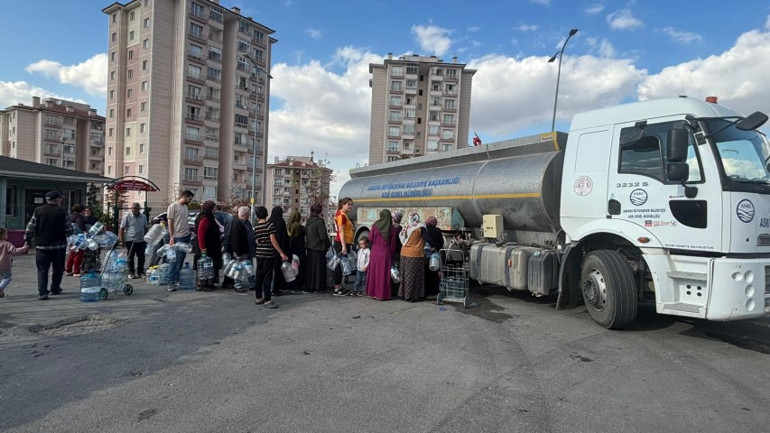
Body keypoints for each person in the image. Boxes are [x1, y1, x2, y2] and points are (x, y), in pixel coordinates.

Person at [24, 190, 74, 300]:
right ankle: (55, 288)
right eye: (60, 199)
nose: (61, 200)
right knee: (58, 268)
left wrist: (27, 240)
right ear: (56, 200)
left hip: (42, 245)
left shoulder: (38, 211)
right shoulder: (62, 211)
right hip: (59, 245)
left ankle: (42, 292)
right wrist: (72, 239)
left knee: (42, 269)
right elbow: (69, 228)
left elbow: (30, 228)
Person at [253, 206, 288, 309]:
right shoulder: (269, 225)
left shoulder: (256, 226)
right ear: (266, 214)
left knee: (259, 275)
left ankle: (258, 297)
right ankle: (267, 300)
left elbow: (256, 240)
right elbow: (273, 240)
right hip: (268, 254)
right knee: (268, 277)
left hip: (259, 253)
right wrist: (281, 253)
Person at [222, 206, 255, 291]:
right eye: (248, 213)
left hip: (248, 249)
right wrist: (237, 253)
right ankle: (238, 285)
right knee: (239, 268)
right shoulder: (237, 224)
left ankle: (252, 283)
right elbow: (235, 240)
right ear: (246, 214)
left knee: (249, 268)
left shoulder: (247, 223)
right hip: (241, 251)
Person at [166, 189, 194, 290]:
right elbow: (170, 222)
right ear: (185, 197)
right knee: (174, 260)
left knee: (181, 259)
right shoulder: (173, 206)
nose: (190, 201)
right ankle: (170, 281)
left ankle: (177, 278)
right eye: (189, 199)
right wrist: (171, 236)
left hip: (185, 235)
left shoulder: (185, 207)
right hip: (177, 237)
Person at [193, 200, 223, 291]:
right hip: (206, 247)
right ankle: (203, 284)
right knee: (205, 265)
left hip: (211, 246)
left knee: (209, 265)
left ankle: (210, 283)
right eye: (214, 207)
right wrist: (203, 248)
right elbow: (200, 234)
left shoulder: (210, 217)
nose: (215, 209)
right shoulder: (205, 218)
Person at [399, 211, 427, 302]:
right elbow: (427, 238)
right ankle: (412, 296)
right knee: (413, 276)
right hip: (415, 255)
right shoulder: (420, 227)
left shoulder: (406, 227)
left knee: (404, 275)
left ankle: (403, 294)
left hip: (404, 254)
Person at [366, 209, 393, 301]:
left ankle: (373, 293)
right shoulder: (391, 228)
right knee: (383, 274)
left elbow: (370, 238)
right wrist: (392, 255)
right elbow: (392, 244)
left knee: (374, 273)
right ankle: (382, 295)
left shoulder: (375, 225)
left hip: (375, 252)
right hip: (385, 253)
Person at [304, 202, 330, 293]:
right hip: (318, 248)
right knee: (318, 269)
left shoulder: (308, 221)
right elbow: (323, 236)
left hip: (309, 247)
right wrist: (328, 245)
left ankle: (309, 285)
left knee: (311, 268)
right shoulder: (319, 222)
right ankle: (318, 286)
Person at [119, 202, 148, 279]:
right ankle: (131, 272)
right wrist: (121, 240)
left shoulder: (143, 217)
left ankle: (140, 271)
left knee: (141, 257)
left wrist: (146, 237)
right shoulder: (127, 217)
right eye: (132, 208)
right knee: (130, 257)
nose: (134, 210)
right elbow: (122, 228)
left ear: (139, 209)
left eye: (135, 208)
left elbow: (145, 227)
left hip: (141, 240)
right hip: (130, 240)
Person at [333, 197, 354, 296]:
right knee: (338, 266)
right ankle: (337, 288)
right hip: (341, 243)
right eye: (348, 204)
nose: (350, 206)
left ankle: (339, 286)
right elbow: (341, 231)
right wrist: (344, 246)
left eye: (351, 204)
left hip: (344, 243)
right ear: (343, 204)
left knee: (342, 265)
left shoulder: (344, 214)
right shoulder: (341, 215)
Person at [0, 227, 29, 298]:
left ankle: (1, 292)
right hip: (4, 265)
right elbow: (14, 250)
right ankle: (1, 287)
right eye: (6, 233)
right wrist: (24, 248)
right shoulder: (6, 244)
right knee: (7, 277)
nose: (7, 235)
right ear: (3, 235)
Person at [268, 206, 290, 296]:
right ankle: (274, 288)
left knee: (269, 269)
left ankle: (268, 287)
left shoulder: (269, 222)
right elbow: (284, 237)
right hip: (279, 249)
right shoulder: (281, 222)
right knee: (277, 269)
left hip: (269, 249)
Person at [424, 215, 445, 298]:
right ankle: (434, 292)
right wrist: (435, 248)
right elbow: (441, 243)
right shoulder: (437, 230)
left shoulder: (424, 229)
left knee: (426, 272)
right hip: (435, 255)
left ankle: (426, 292)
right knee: (434, 273)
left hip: (426, 254)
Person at [65, 204, 87, 277]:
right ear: (81, 210)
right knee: (79, 253)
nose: (84, 212)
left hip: (71, 237)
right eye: (84, 210)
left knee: (72, 253)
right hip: (78, 237)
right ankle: (76, 271)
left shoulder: (70, 216)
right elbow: (80, 224)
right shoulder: (78, 216)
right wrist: (85, 231)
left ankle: (68, 270)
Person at [287, 209, 306, 290]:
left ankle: (291, 284)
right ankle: (298, 285)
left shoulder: (288, 225)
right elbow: (300, 236)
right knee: (298, 268)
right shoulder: (297, 226)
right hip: (298, 250)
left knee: (293, 267)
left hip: (291, 249)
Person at [389, 210, 404, 298]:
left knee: (393, 270)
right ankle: (397, 290)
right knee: (397, 271)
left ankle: (393, 290)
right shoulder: (401, 228)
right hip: (399, 252)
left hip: (394, 253)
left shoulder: (393, 228)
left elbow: (393, 242)